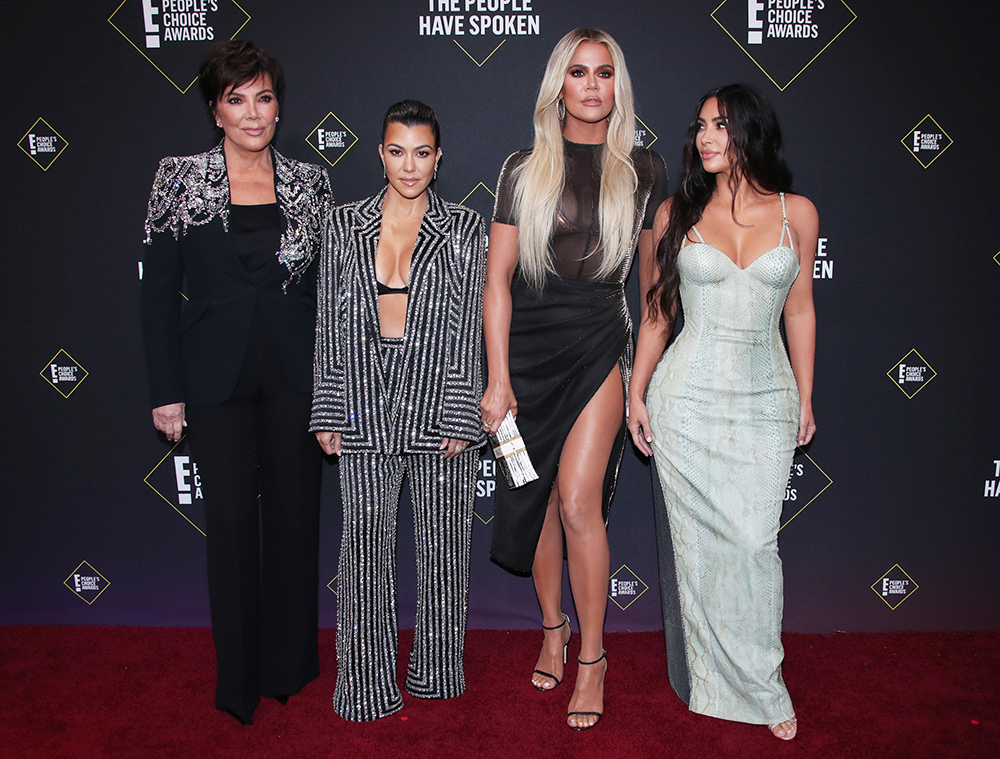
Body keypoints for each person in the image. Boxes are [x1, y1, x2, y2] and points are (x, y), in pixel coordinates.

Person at [140, 40, 331, 725]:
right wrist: (167, 389)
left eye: (265, 97)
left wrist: (332, 389)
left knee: (293, 521)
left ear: (279, 105)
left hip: (295, 376)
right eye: (237, 99)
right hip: (213, 380)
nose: (254, 113)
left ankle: (289, 665)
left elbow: (326, 294)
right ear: (215, 108)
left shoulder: (310, 181)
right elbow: (158, 292)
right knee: (227, 525)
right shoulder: (178, 178)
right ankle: (240, 677)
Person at [481, 28, 667, 730]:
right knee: (539, 503)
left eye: (606, 73)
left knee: (579, 501)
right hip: (526, 355)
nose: (593, 86)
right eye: (580, 72)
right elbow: (496, 284)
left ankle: (593, 657)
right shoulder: (521, 169)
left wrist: (641, 382)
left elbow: (652, 292)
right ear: (558, 83)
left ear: (618, 86)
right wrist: (497, 378)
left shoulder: (644, 170)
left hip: (597, 345)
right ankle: (552, 628)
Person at [628, 83, 817, 741]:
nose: (706, 136)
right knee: (698, 549)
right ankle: (715, 682)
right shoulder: (676, 213)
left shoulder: (799, 214)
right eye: (701, 125)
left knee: (753, 545)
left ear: (750, 131)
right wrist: (635, 392)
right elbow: (656, 313)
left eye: (721, 125)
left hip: (766, 397)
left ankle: (763, 681)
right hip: (685, 400)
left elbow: (799, 310)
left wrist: (807, 395)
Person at [311, 100, 487, 723]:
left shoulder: (466, 229)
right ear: (379, 153)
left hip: (438, 403)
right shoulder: (342, 225)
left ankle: (437, 671)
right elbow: (330, 319)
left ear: (438, 158)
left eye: (421, 152)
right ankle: (363, 686)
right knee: (363, 552)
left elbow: (472, 326)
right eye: (395, 150)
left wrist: (464, 413)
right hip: (362, 399)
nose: (408, 166)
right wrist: (330, 406)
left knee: (444, 550)